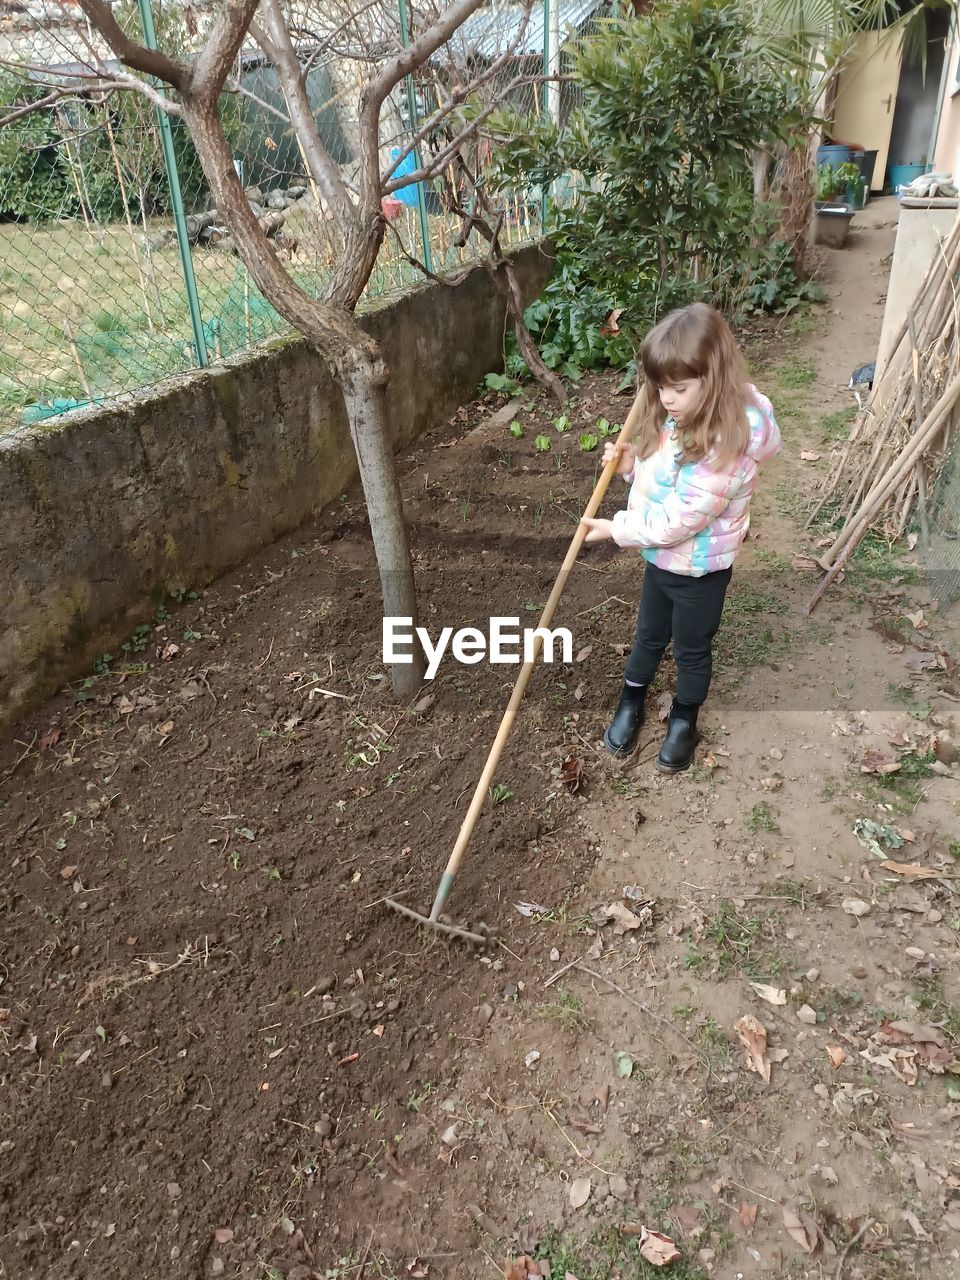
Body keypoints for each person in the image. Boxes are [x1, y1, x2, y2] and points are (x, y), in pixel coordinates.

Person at [580, 302, 781, 774]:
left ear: (713, 381)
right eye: (660, 387)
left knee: (691, 647)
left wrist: (618, 529)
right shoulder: (684, 416)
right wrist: (632, 467)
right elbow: (663, 480)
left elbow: (681, 517)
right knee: (648, 635)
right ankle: (631, 700)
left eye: (679, 388)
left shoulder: (729, 445)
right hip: (662, 561)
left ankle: (685, 718)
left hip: (700, 570)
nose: (667, 398)